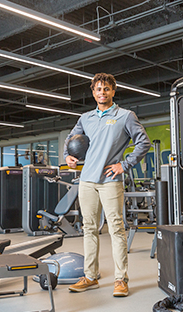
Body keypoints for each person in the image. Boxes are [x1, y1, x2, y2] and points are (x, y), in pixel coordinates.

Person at [64, 73, 151, 297]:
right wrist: (68, 156)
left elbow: (143, 142)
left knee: (116, 230)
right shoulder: (85, 118)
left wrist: (125, 164)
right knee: (89, 229)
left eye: (106, 89)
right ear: (93, 92)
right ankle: (90, 277)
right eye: (98, 89)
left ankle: (121, 279)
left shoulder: (125, 116)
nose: (102, 93)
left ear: (113, 91)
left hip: (111, 181)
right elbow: (71, 139)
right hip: (87, 181)